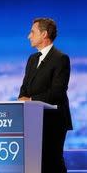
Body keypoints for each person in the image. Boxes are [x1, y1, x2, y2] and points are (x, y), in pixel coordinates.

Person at [18, 18, 72, 172]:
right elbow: (24, 88)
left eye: (32, 32)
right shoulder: (32, 59)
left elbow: (57, 92)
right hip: (33, 120)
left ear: (44, 34)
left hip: (53, 120)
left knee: (52, 162)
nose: (29, 36)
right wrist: (23, 99)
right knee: (35, 164)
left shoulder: (61, 59)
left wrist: (31, 100)